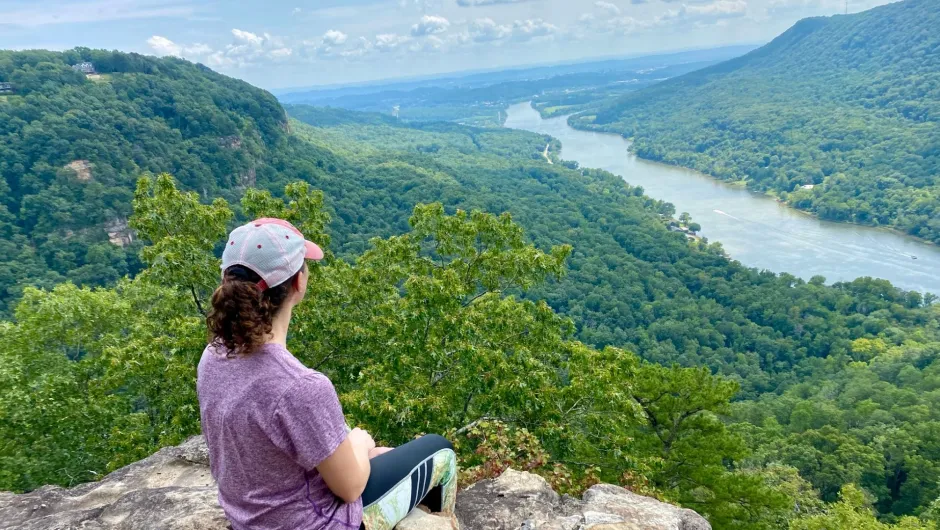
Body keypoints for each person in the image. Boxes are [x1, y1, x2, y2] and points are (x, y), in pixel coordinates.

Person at [197, 218, 458, 530]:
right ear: (299, 283)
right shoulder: (300, 386)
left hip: (248, 518)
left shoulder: (213, 357)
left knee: (381, 456)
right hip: (317, 523)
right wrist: (360, 442)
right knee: (440, 450)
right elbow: (350, 488)